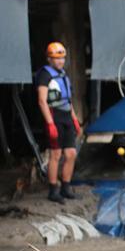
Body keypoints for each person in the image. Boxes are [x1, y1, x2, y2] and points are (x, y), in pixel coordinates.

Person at [36, 42, 81, 203]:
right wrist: (50, 123)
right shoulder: (45, 75)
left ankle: (66, 187)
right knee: (56, 154)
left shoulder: (63, 74)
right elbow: (42, 101)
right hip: (54, 116)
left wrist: (75, 119)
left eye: (62, 58)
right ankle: (53, 189)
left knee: (71, 153)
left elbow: (68, 100)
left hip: (66, 115)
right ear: (49, 59)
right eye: (56, 58)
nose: (60, 61)